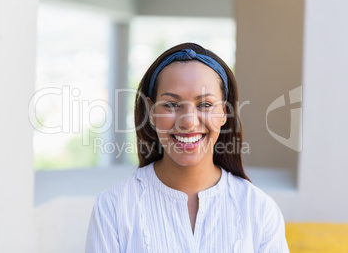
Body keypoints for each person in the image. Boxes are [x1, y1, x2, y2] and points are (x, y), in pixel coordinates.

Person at [85, 43, 289, 252]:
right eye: (171, 105)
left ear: (223, 113)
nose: (188, 122)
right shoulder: (113, 208)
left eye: (205, 105)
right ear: (150, 111)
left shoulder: (259, 210)